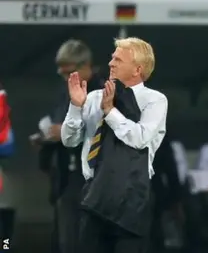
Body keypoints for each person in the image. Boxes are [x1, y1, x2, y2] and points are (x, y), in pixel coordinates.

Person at [61, 37, 168, 253]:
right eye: (112, 58)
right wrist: (75, 106)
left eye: (118, 60)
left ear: (137, 69)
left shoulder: (154, 101)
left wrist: (110, 112)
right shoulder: (93, 98)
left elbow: (139, 138)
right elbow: (69, 139)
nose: (111, 64)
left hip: (131, 196)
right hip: (94, 193)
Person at [36, 40, 105, 253]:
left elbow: (108, 130)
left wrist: (65, 131)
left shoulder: (104, 93)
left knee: (85, 242)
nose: (66, 79)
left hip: (93, 180)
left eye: (70, 73)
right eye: (63, 75)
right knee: (64, 241)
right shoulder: (65, 94)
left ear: (86, 66)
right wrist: (45, 138)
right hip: (65, 179)